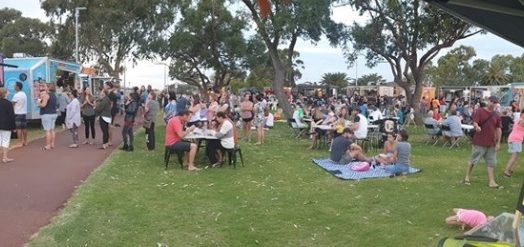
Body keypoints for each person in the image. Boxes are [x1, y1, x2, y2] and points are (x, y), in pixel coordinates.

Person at [463, 96, 503, 189]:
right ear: (488, 101)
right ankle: (467, 177)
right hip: (479, 141)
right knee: (473, 160)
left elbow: (498, 129)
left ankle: (492, 182)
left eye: (495, 102)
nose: (493, 104)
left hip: (491, 143)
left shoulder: (496, 114)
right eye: (492, 101)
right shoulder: (480, 111)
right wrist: (476, 127)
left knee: (491, 162)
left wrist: (498, 143)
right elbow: (475, 122)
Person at [503, 109, 524, 177]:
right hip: (516, 139)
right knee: (514, 156)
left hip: (513, 138)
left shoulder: (518, 119)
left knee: (515, 156)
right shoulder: (522, 121)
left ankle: (510, 169)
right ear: (522, 114)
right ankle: (506, 171)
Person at [38, 83, 58, 150]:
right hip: (53, 113)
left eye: (45, 86)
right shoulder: (54, 95)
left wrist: (39, 103)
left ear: (48, 88)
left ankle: (48, 145)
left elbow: (43, 105)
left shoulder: (46, 95)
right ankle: (52, 144)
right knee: (52, 129)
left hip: (47, 114)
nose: (44, 87)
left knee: (47, 130)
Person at [0, 88, 15, 163]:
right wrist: (14, 127)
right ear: (5, 93)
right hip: (6, 125)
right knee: (5, 141)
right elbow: (12, 116)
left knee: (1, 140)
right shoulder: (8, 103)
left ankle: (4, 157)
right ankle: (5, 157)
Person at [11, 82, 28, 146]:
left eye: (15, 86)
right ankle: (25, 141)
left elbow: (12, 104)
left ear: (18, 87)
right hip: (23, 113)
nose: (14, 87)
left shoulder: (16, 95)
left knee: (19, 129)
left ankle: (20, 142)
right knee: (24, 128)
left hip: (17, 113)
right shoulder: (24, 94)